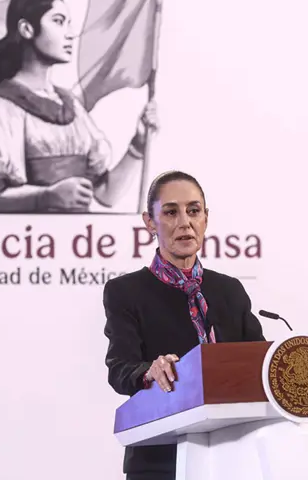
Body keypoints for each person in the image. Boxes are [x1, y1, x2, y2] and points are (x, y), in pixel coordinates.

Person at [102, 171, 266, 480]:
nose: (184, 222)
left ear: (206, 218)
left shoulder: (229, 290)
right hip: (160, 460)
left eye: (193, 210)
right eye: (170, 212)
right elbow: (120, 369)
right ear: (149, 222)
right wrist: (150, 370)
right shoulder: (125, 292)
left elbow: (259, 363)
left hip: (232, 459)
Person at [0, 0, 158, 213]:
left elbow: (106, 195)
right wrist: (46, 197)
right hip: (27, 235)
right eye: (58, 22)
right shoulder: (0, 105)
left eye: (68, 23)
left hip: (78, 234)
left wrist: (138, 144)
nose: (69, 34)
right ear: (27, 29)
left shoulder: (71, 106)